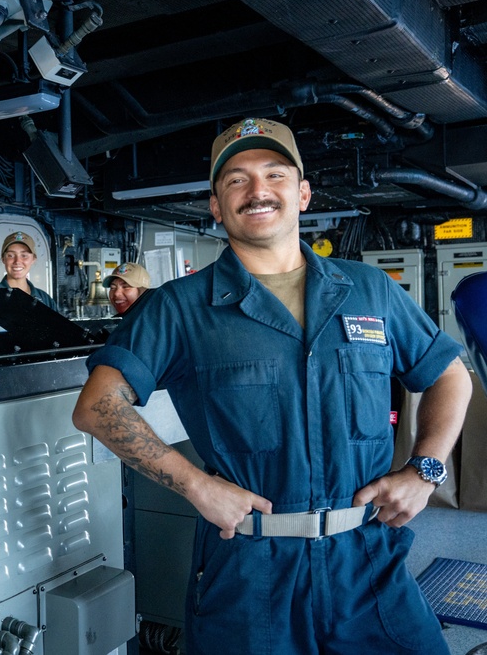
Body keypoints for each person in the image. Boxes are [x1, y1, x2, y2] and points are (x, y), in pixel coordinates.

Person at [72, 117, 472, 654]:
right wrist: (195, 485)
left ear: (303, 193)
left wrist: (426, 469)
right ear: (216, 206)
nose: (257, 190)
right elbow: (97, 405)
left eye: (275, 174)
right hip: (250, 575)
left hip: (369, 560)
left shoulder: (371, 290)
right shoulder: (179, 307)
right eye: (236, 180)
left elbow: (448, 374)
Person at [0, 231, 59, 310]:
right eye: (11, 255)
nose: (17, 261)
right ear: (3, 259)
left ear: (33, 259)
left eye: (24, 255)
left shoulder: (45, 300)